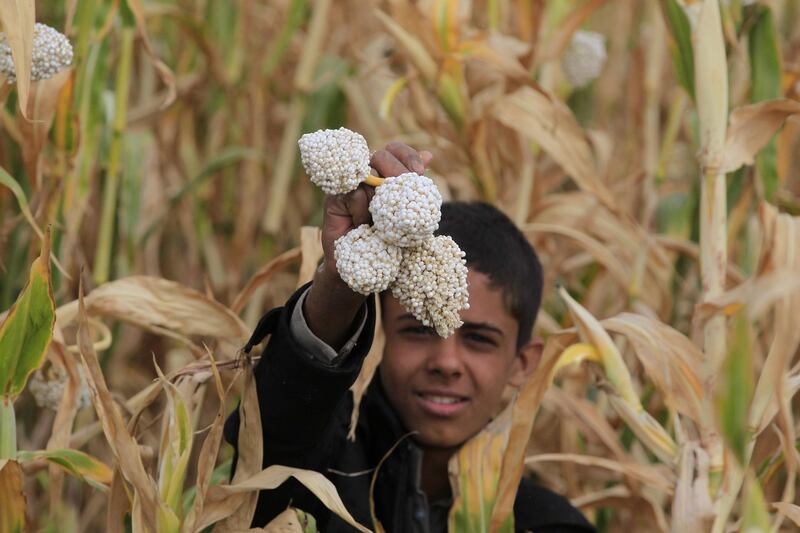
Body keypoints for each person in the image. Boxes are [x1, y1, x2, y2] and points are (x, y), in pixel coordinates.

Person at [224, 142, 595, 532]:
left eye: (480, 340)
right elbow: (271, 444)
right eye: (419, 330)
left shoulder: (552, 525)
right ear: (382, 335)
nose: (446, 363)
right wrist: (341, 285)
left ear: (524, 363)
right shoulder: (323, 477)